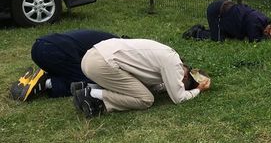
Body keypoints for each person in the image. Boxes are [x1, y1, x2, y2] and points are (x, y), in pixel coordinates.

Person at [72, 38, 211, 118]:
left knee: (142, 89)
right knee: (146, 99)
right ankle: (93, 96)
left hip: (93, 56)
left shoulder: (168, 56)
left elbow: (156, 86)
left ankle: (88, 87)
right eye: (182, 86)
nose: (178, 85)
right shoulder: (174, 64)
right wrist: (198, 89)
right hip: (101, 64)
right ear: (185, 77)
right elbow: (178, 98)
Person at [9, 29, 118, 102]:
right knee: (94, 82)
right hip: (54, 51)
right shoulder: (116, 47)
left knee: (76, 72)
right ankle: (46, 83)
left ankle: (40, 77)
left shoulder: (109, 39)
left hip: (40, 47)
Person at [183, 0, 271, 42]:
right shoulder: (254, 23)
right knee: (217, 39)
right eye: (266, 33)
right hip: (216, 10)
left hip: (227, 9)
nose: (265, 34)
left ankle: (213, 30)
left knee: (228, 36)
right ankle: (196, 33)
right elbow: (254, 40)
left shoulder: (264, 20)